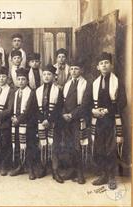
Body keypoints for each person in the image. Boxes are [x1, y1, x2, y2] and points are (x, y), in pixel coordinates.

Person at [91, 52, 127, 190]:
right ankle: (104, 174)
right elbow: (88, 102)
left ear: (111, 65)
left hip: (112, 119)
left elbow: (122, 102)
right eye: (101, 63)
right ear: (97, 67)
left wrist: (107, 111)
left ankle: (112, 177)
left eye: (106, 62)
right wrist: (93, 111)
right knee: (99, 148)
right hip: (98, 120)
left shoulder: (117, 81)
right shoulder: (94, 83)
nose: (104, 65)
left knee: (111, 148)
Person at [61, 59, 92, 184]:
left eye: (76, 69)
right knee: (68, 145)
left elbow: (85, 104)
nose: (73, 71)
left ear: (81, 70)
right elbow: (63, 102)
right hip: (67, 120)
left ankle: (80, 173)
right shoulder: (67, 84)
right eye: (72, 69)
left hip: (78, 118)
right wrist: (64, 114)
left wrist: (72, 115)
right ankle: (71, 170)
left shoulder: (86, 84)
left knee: (78, 145)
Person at [35, 64, 64, 183]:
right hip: (41, 121)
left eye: (49, 74)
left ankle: (55, 170)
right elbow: (35, 108)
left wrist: (50, 120)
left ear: (53, 76)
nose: (47, 77)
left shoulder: (58, 90)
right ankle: (43, 167)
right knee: (42, 145)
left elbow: (59, 107)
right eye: (45, 74)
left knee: (54, 146)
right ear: (42, 76)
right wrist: (42, 119)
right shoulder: (38, 90)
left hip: (53, 122)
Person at [9, 68, 37, 179]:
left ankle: (30, 168)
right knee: (17, 145)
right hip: (16, 123)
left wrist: (19, 119)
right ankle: (20, 166)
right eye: (19, 79)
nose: (21, 81)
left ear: (27, 81)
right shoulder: (16, 93)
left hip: (28, 124)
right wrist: (13, 117)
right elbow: (12, 108)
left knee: (28, 146)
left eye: (23, 79)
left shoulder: (31, 93)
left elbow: (29, 110)